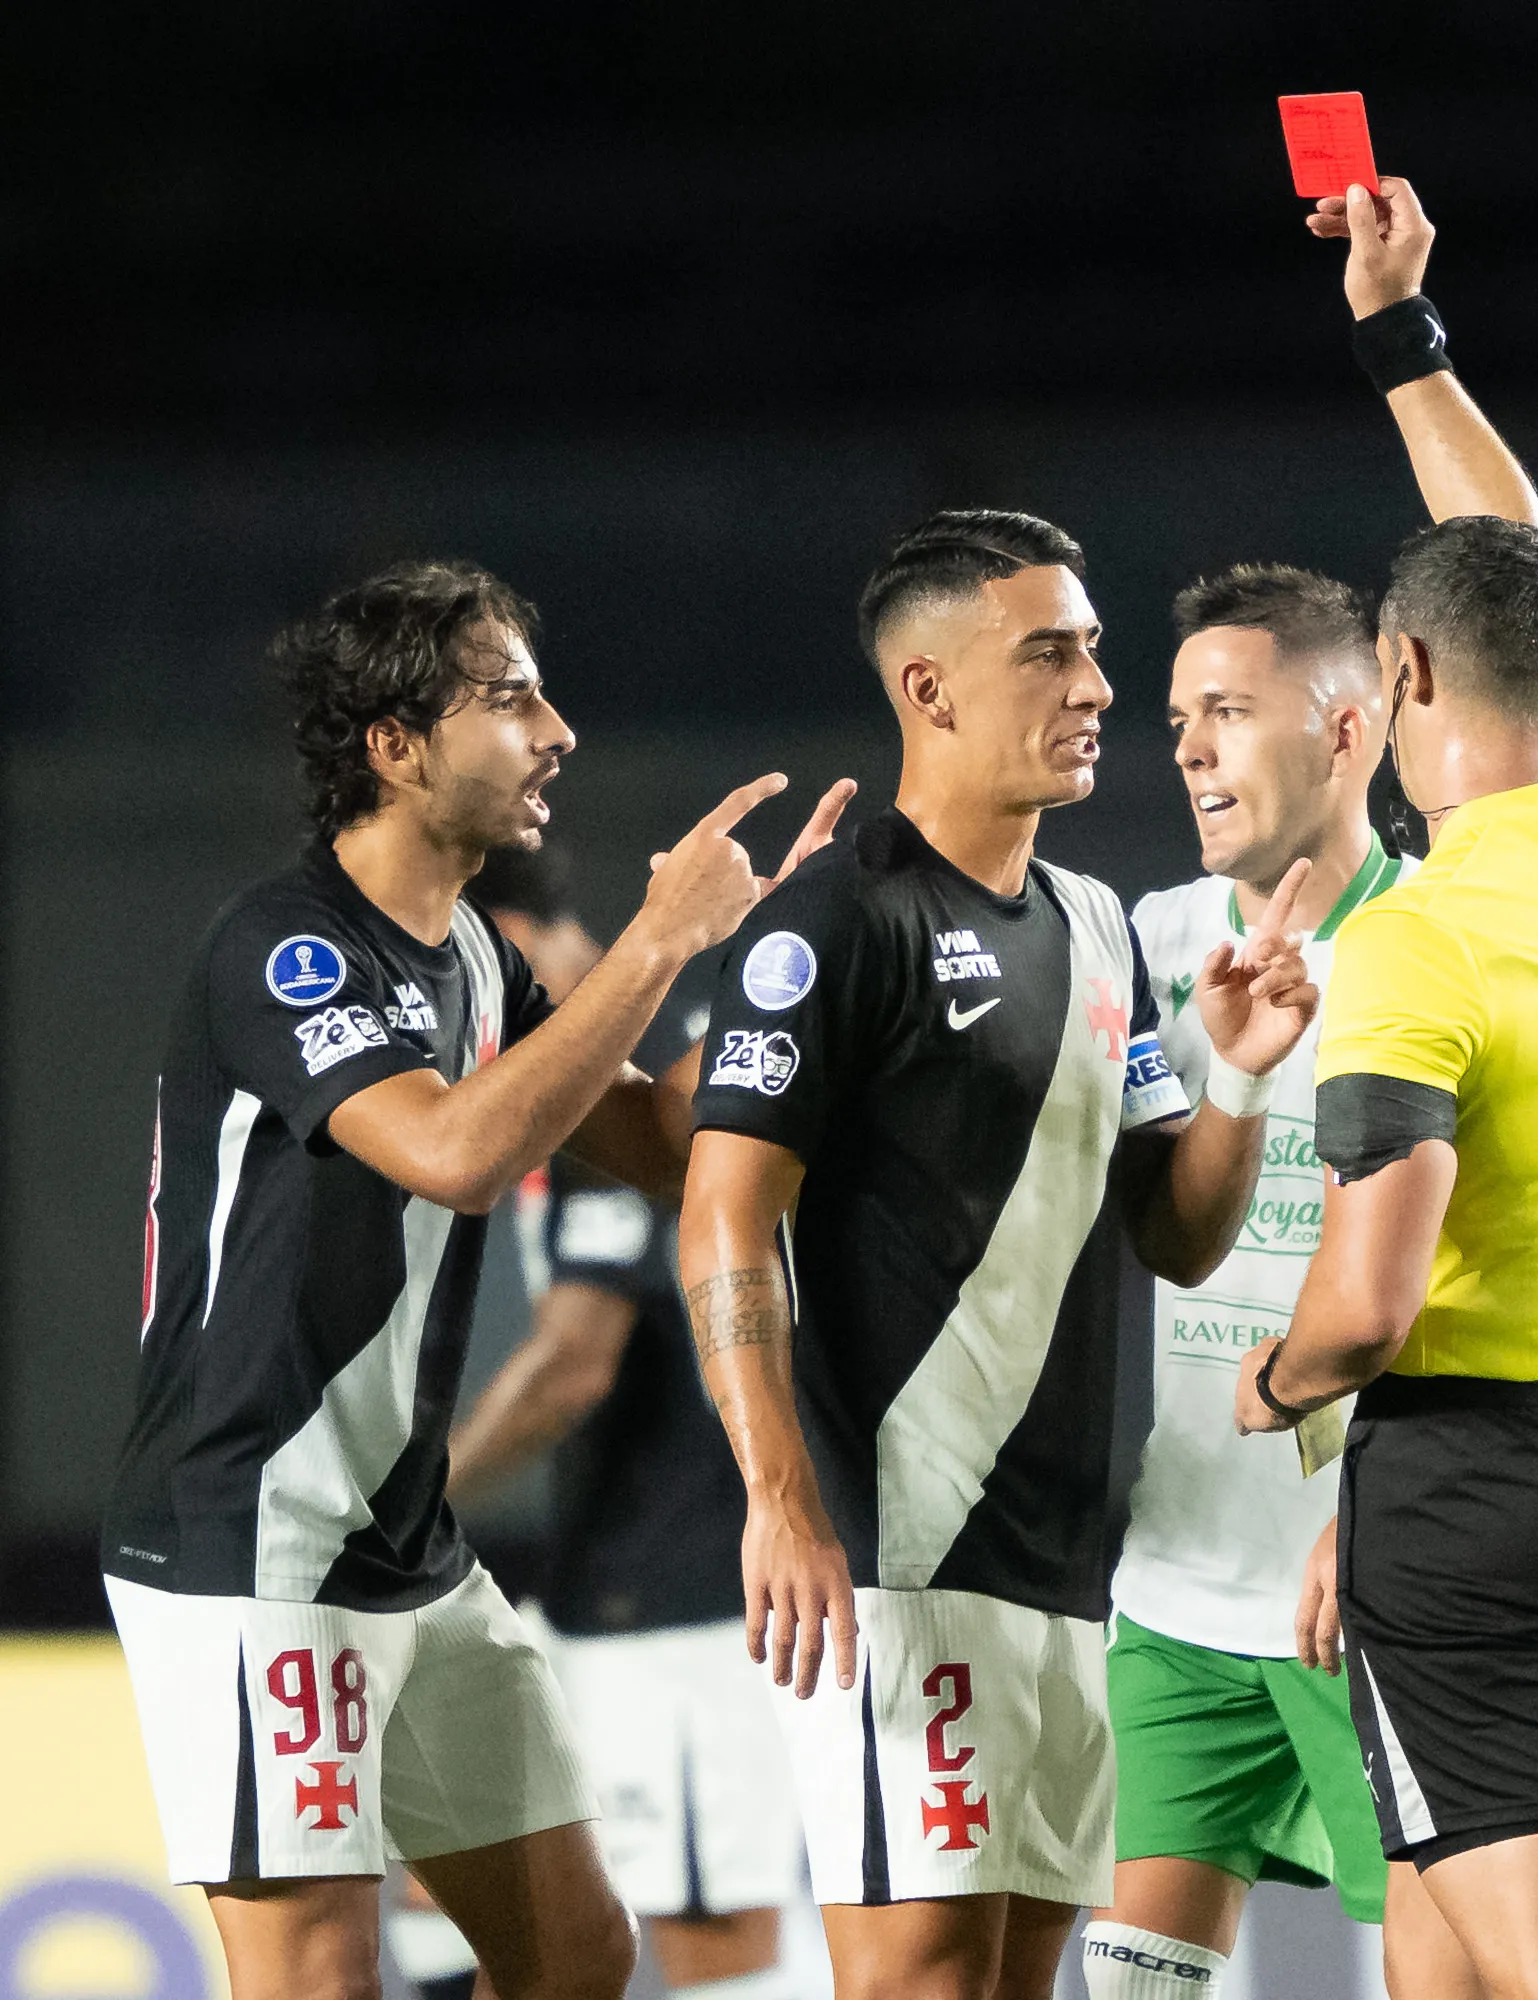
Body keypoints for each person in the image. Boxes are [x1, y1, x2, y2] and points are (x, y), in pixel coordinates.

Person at [103, 559, 844, 2000]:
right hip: (254, 1543)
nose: (557, 729)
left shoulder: (481, 964)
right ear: (393, 746)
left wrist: (782, 960)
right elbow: (451, 1153)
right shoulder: (286, 948)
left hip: (403, 1549)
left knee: (574, 1954)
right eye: (509, 697)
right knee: (319, 1977)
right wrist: (660, 936)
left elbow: (664, 1138)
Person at [678, 510, 1322, 2000]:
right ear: (931, 690)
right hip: (896, 1560)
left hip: (1069, 1574)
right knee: (920, 1981)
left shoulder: (1103, 925)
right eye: (1052, 653)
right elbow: (723, 1211)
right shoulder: (839, 918)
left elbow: (1181, 1231)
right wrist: (779, 1493)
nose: (1098, 687)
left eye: (1095, 651)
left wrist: (1237, 1077)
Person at [1226, 177, 1538, 2000]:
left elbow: (1366, 1308)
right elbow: (1525, 557)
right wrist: (1403, 346)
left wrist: (1275, 1390)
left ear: (1404, 673)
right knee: (1443, 1975)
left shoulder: (1413, 941)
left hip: (1481, 1502)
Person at [1083, 563, 1405, 1999]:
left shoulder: (1442, 949)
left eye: (1228, 708)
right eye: (1177, 715)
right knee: (1139, 1979)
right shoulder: (1148, 946)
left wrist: (1385, 1499)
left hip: (1385, 1592)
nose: (1191, 744)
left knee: (1500, 1968)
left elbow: (1510, 1254)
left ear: (1347, 731)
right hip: (1176, 1578)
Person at [421, 840, 805, 2000]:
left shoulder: (615, 1069)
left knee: (711, 1937)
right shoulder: (589, 1072)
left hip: (687, 1597)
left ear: (507, 943)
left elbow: (573, 1365)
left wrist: (411, 1494)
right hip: (608, 1586)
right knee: (484, 1900)